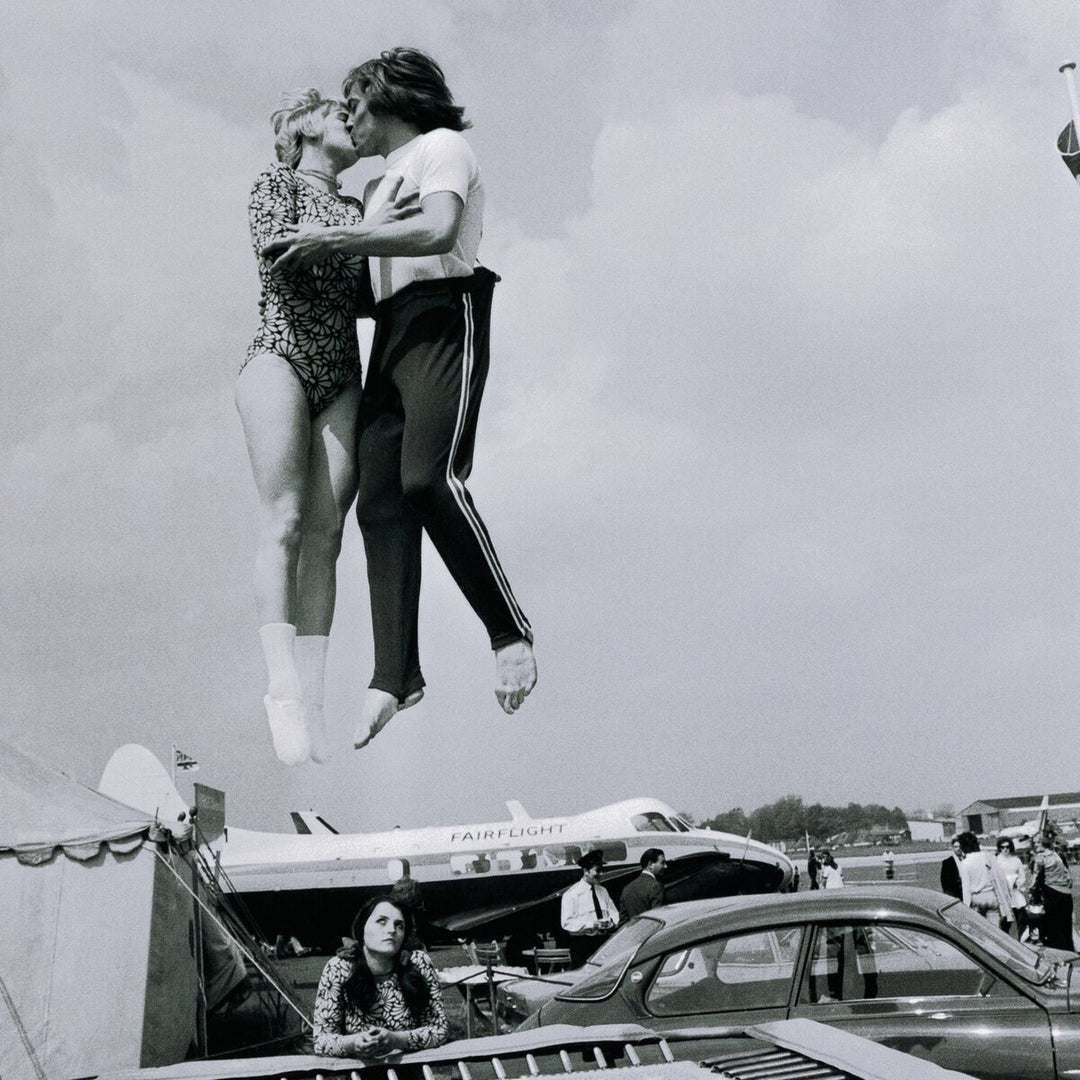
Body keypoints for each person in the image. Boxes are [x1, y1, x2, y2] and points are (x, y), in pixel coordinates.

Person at [262, 48, 537, 750]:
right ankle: (395, 674)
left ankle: (509, 633)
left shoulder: (442, 148)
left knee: (428, 479)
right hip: (391, 335)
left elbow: (440, 228)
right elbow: (357, 277)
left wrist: (337, 237)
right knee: (380, 501)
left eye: (354, 104)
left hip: (447, 314)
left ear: (386, 100)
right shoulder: (380, 187)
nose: (348, 118)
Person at [237, 89, 413, 765]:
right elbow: (277, 250)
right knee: (282, 518)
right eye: (339, 109)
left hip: (341, 372)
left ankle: (311, 696)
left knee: (328, 531)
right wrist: (359, 234)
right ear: (305, 127)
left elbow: (371, 296)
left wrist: (390, 234)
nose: (352, 115)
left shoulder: (353, 208)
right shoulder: (275, 184)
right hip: (280, 356)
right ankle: (280, 688)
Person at [312, 896, 448, 1057]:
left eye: (399, 925)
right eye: (381, 921)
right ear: (362, 928)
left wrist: (396, 1039)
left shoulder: (418, 963)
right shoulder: (339, 968)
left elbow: (439, 1029)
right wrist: (353, 1043)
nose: (391, 930)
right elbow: (321, 1041)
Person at [560, 850, 619, 966]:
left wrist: (610, 922)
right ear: (586, 871)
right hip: (583, 946)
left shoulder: (603, 891)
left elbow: (614, 913)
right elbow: (567, 923)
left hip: (603, 944)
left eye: (602, 870)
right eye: (597, 871)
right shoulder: (572, 895)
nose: (601, 874)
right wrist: (593, 924)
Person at [1031, 829, 1075, 951]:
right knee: (1066, 925)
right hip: (1065, 894)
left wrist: (1034, 893)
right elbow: (1069, 878)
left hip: (1051, 893)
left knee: (1052, 925)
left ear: (1040, 844)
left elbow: (1034, 880)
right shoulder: (1059, 856)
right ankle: (1068, 949)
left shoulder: (1039, 859)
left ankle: (1055, 950)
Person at [956, 831, 1011, 925]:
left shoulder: (964, 864)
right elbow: (999, 876)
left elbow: (966, 888)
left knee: (979, 929)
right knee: (994, 929)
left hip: (976, 897)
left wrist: (966, 906)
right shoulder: (988, 857)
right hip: (991, 895)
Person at [618, 848, 666, 920]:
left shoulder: (627, 889)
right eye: (662, 863)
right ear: (650, 864)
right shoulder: (656, 887)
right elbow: (659, 918)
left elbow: (623, 921)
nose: (665, 866)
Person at [995, 837, 1028, 938]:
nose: (1005, 849)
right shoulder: (996, 861)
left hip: (1015, 892)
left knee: (1022, 918)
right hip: (1003, 894)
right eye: (1002, 847)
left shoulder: (1016, 860)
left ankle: (1021, 938)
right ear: (999, 848)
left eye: (1007, 847)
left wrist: (1017, 883)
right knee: (1005, 921)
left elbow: (1022, 876)